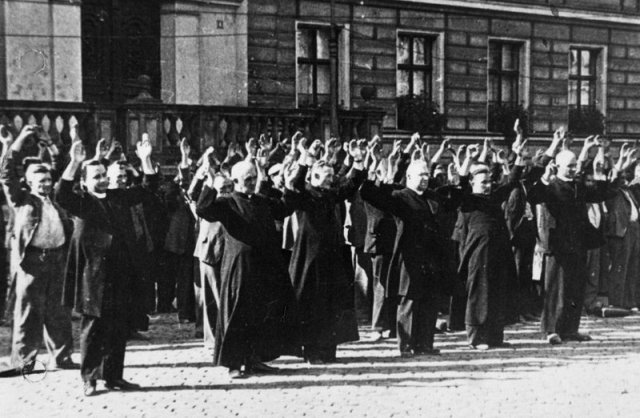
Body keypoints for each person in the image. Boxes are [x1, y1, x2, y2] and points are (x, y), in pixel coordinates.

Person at [57, 138, 157, 396]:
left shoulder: (119, 197)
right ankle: (89, 377)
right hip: (95, 277)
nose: (101, 179)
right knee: (93, 329)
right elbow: (61, 194)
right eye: (96, 176)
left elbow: (148, 188)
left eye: (103, 175)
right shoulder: (82, 202)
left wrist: (145, 159)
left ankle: (114, 377)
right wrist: (75, 162)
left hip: (121, 274)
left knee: (119, 327)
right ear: (84, 182)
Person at [196, 150, 299, 379]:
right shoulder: (226, 203)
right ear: (235, 181)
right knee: (238, 315)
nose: (252, 183)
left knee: (260, 313)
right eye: (248, 179)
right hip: (240, 268)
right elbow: (203, 210)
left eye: (254, 177)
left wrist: (290, 185)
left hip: (264, 267)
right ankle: (235, 362)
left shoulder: (261, 201)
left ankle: (255, 359)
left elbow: (284, 208)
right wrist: (212, 184)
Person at [360, 134, 452, 357]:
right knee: (409, 300)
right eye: (420, 175)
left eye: (426, 174)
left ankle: (425, 344)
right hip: (409, 257)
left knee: (429, 301)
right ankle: (407, 345)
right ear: (409, 177)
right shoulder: (400, 196)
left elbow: (452, 202)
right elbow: (370, 195)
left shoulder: (433, 197)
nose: (424, 178)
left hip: (431, 257)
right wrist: (373, 174)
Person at [528, 134, 619, 345]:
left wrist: (600, 165)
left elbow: (599, 193)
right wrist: (544, 178)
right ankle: (550, 329)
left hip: (578, 245)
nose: (572, 169)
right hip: (558, 246)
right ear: (557, 166)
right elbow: (533, 196)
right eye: (568, 166)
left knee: (575, 289)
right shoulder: (551, 186)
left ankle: (570, 329)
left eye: (573, 165)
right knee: (556, 290)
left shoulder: (578, 186)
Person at [0, 125, 74, 375]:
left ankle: (62, 357)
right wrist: (17, 142)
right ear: (29, 182)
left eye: (47, 180)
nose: (45, 184)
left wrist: (51, 144)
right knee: (29, 313)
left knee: (59, 311)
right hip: (32, 261)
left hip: (58, 259)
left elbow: (62, 166)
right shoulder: (21, 199)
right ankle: (23, 361)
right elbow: (6, 173)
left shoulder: (55, 198)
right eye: (39, 181)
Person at [284, 138, 366, 363]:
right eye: (326, 176)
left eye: (332, 176)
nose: (331, 180)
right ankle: (311, 352)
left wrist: (358, 160)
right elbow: (295, 185)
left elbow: (351, 184)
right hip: (310, 262)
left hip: (332, 260)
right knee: (311, 306)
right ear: (314, 177)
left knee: (332, 306)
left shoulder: (331, 195)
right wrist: (305, 159)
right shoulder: (305, 195)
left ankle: (329, 350)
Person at [454, 141, 526, 349]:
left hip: (499, 253)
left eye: (488, 182)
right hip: (478, 255)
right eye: (483, 182)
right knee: (479, 295)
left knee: (497, 292)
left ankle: (495, 337)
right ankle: (476, 338)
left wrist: (519, 157)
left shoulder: (493, 198)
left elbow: (512, 181)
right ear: (473, 183)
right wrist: (468, 160)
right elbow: (460, 183)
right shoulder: (467, 201)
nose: (487, 185)